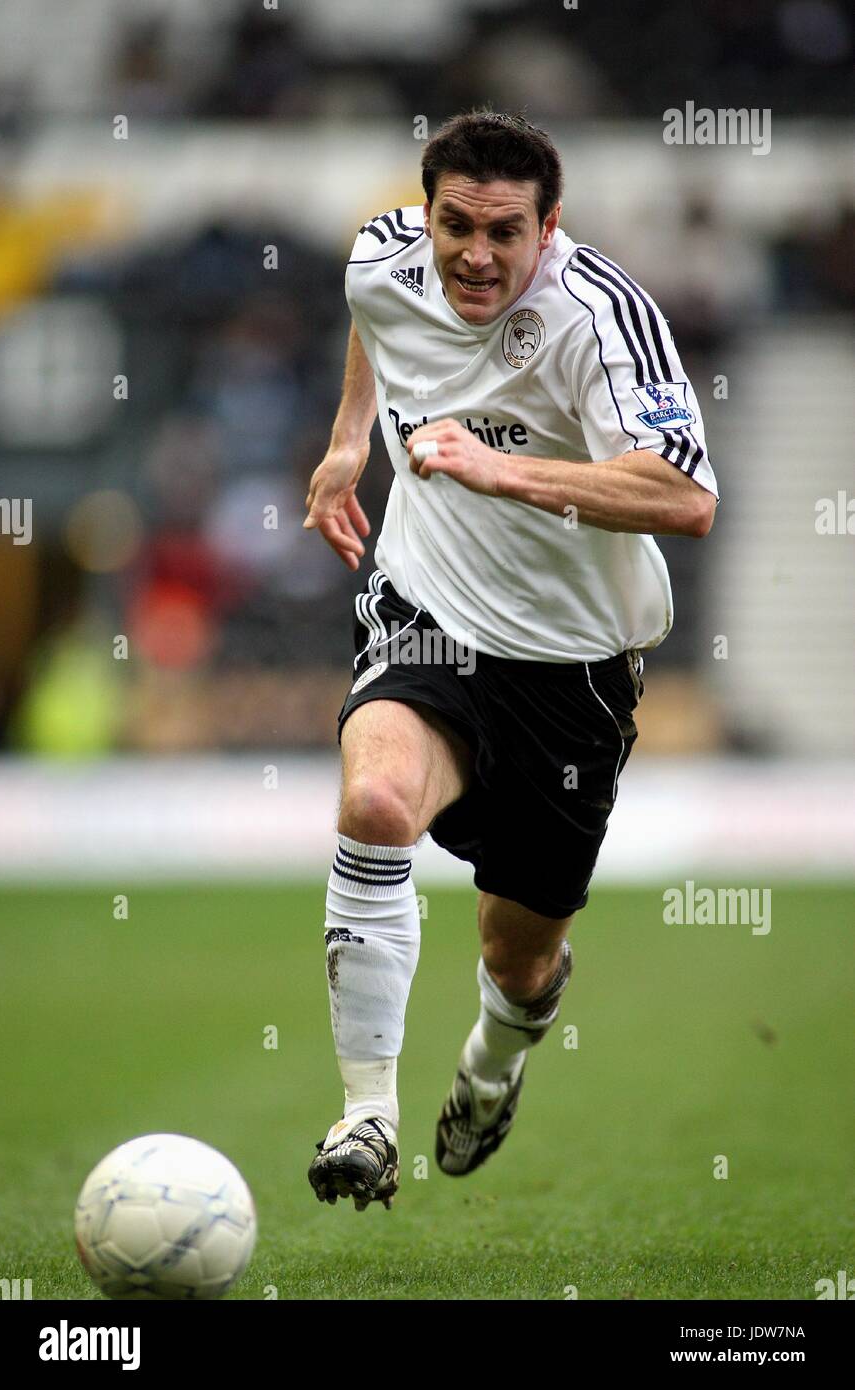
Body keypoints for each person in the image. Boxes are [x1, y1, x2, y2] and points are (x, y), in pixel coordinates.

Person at [302, 110, 718, 1211]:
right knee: (377, 801)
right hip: (425, 604)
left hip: (570, 666)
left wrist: (503, 473)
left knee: (519, 952)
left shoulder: (601, 318)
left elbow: (683, 495)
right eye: (454, 227)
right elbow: (373, 316)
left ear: (548, 228)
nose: (475, 256)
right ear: (424, 209)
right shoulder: (382, 253)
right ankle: (365, 1118)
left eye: (503, 232)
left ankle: (492, 1061)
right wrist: (353, 442)